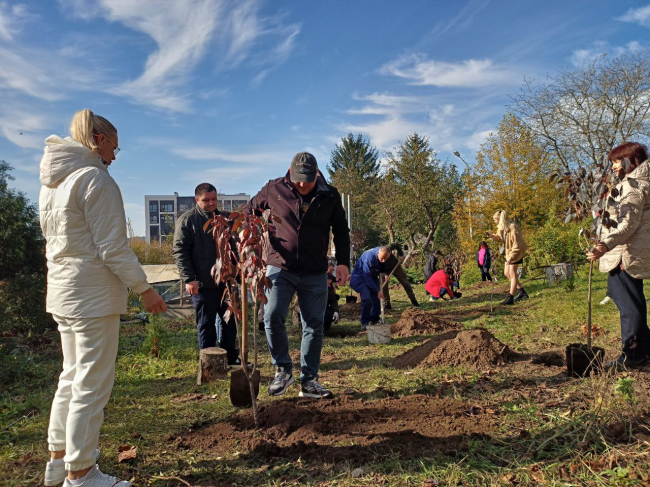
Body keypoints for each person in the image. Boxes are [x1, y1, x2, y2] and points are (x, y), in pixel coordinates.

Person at [40, 109, 167, 487]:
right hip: (91, 295)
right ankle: (81, 473)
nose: (115, 154)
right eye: (115, 146)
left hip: (63, 291)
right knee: (92, 383)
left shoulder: (53, 183)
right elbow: (112, 247)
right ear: (98, 141)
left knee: (71, 376)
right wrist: (143, 288)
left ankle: (57, 460)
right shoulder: (96, 180)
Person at [247, 152, 350, 399]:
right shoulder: (274, 188)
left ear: (317, 173)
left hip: (315, 270)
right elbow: (250, 210)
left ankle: (310, 381)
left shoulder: (330, 195)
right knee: (271, 317)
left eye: (307, 179)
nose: (302, 184)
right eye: (298, 179)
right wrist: (250, 239)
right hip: (279, 267)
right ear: (289, 172)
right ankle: (283, 371)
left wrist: (344, 263)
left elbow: (341, 231)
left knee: (313, 325)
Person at [587, 141, 650, 370]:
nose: (613, 166)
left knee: (629, 306)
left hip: (625, 252)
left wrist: (605, 245)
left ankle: (634, 357)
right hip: (625, 250)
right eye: (612, 162)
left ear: (630, 161)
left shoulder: (632, 186)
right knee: (625, 298)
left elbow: (627, 224)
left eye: (617, 161)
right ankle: (645, 350)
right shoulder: (633, 183)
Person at [172, 183, 240, 365]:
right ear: (197, 200)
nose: (211, 203)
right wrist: (189, 279)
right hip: (202, 284)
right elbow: (180, 251)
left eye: (214, 199)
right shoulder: (188, 220)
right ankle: (209, 363)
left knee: (230, 324)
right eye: (206, 200)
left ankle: (231, 359)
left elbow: (234, 249)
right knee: (206, 325)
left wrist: (238, 275)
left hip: (226, 283)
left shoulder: (224, 219)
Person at [489, 210, 527, 305]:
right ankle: (522, 292)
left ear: (501, 219)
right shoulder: (502, 227)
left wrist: (512, 256)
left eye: (496, 220)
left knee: (512, 274)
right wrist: (492, 236)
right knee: (507, 273)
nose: (495, 222)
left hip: (516, 252)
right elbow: (499, 237)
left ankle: (510, 297)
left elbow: (517, 244)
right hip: (508, 253)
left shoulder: (512, 227)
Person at [350, 246, 391, 330]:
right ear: (377, 253)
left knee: (377, 299)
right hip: (360, 277)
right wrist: (377, 290)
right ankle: (364, 322)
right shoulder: (368, 257)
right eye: (382, 258)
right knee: (367, 298)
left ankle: (374, 320)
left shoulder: (384, 253)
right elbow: (366, 276)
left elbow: (384, 264)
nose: (383, 261)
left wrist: (386, 273)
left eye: (385, 259)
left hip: (372, 276)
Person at [380, 243, 420, 309]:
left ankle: (413, 300)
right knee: (384, 286)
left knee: (405, 283)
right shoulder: (377, 257)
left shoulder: (388, 248)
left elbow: (395, 244)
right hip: (384, 270)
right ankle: (387, 304)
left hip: (395, 265)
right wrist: (385, 274)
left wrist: (401, 254)